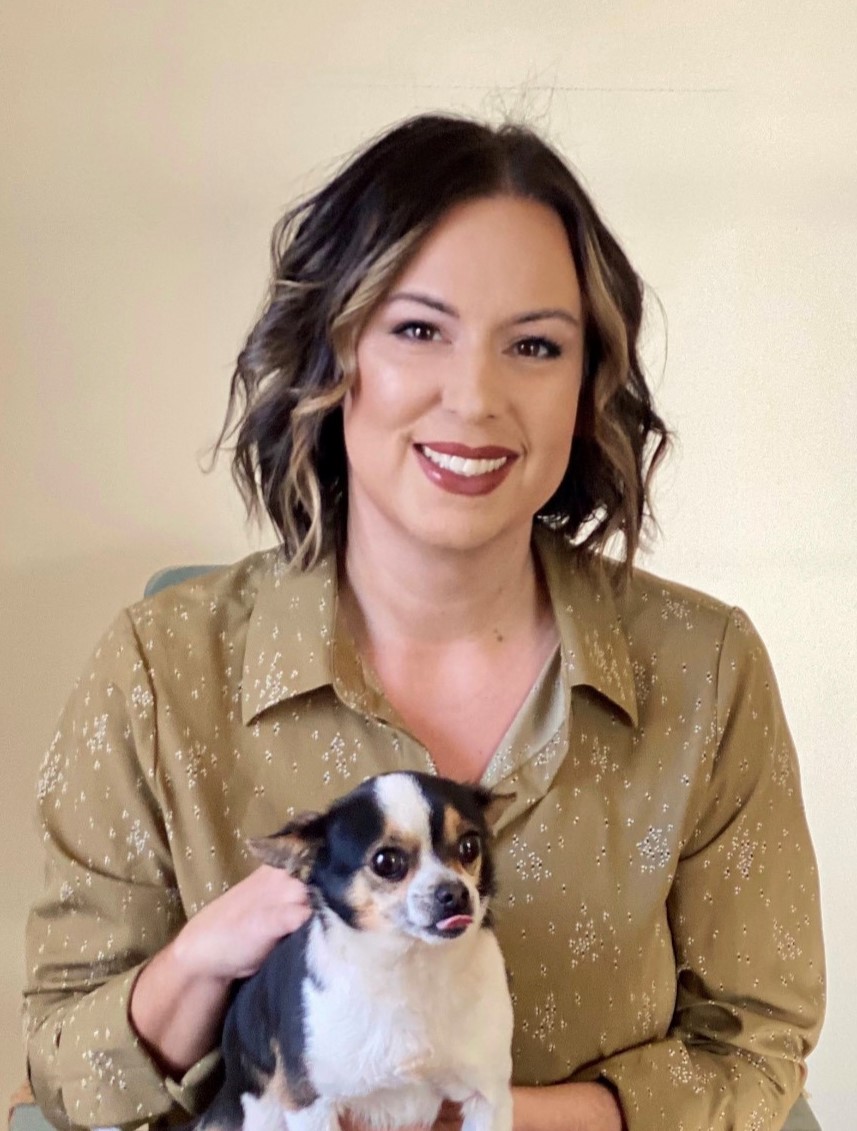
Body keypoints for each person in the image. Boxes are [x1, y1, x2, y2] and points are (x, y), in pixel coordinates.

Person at [24, 113, 824, 1131]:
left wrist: (486, 1116)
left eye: (534, 346)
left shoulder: (705, 670)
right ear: (331, 355)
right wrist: (202, 956)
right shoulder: (158, 669)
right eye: (416, 330)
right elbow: (66, 1063)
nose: (475, 397)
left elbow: (755, 1044)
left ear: (586, 388)